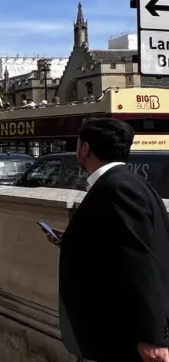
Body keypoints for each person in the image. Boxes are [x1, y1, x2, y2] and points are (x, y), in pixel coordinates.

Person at [46, 118, 169, 362]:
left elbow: (141, 262)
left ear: (85, 149)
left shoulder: (116, 188)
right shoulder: (128, 182)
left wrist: (152, 337)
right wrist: (74, 240)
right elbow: (116, 245)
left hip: (126, 336)